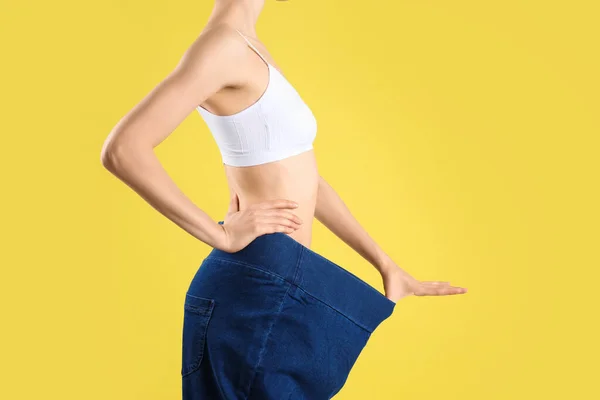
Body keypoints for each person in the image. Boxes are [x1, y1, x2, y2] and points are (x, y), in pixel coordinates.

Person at [100, 1, 467, 398]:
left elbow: (307, 180)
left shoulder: (246, 45)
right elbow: (123, 150)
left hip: (278, 278)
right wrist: (219, 235)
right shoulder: (222, 47)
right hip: (259, 282)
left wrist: (384, 263)